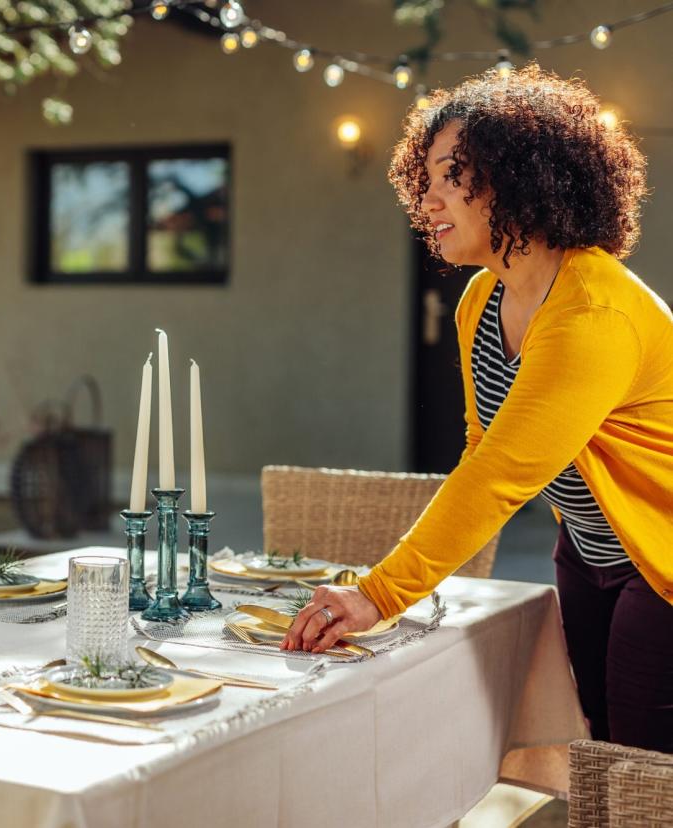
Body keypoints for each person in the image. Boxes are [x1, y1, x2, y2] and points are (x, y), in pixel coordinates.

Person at [282, 65, 673, 752]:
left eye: (448, 175)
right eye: (423, 179)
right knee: (602, 752)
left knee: (642, 762)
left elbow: (498, 476)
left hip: (661, 558)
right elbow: (483, 448)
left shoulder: (592, 311)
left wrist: (379, 594)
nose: (426, 200)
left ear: (517, 178)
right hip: (587, 550)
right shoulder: (481, 302)